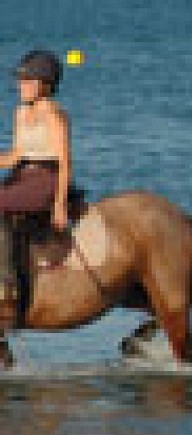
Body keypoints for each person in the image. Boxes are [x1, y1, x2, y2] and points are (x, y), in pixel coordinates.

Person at [0, 50, 71, 324]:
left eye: (26, 81)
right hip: (22, 175)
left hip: (46, 179)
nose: (20, 85)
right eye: (20, 80)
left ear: (45, 84)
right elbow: (16, 155)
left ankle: (8, 286)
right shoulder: (20, 112)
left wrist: (59, 204)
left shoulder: (54, 114)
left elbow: (65, 162)